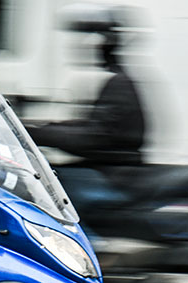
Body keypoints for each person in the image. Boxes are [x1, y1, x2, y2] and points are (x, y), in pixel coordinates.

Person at [26, 5, 146, 166]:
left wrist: (33, 134)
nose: (84, 45)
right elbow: (89, 126)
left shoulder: (119, 84)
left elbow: (93, 136)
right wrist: (45, 127)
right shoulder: (120, 80)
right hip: (109, 166)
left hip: (113, 173)